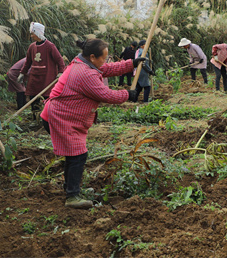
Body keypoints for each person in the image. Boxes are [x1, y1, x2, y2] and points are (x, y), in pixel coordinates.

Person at [40, 39, 145, 208]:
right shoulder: (85, 73)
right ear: (92, 57)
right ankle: (72, 196)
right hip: (60, 118)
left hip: (64, 116)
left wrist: (131, 63)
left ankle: (71, 188)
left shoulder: (84, 63)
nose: (106, 60)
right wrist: (128, 94)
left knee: (74, 155)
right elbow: (105, 94)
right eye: (103, 57)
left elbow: (107, 68)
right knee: (77, 155)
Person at [19, 22, 65, 120]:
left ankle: (46, 119)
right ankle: (35, 118)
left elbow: (59, 60)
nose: (31, 36)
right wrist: (22, 73)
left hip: (47, 78)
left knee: (46, 99)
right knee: (33, 98)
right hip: (34, 77)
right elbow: (28, 62)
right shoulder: (32, 47)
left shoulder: (50, 46)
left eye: (33, 34)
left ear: (38, 33)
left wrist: (61, 72)